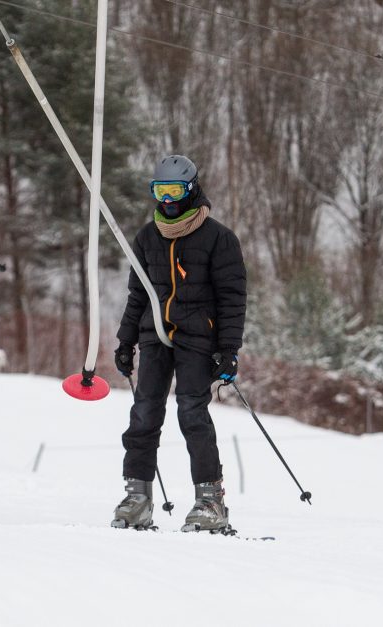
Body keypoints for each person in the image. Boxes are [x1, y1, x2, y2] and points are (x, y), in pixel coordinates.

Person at [111, 155, 247, 532]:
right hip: (154, 335)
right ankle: (137, 495)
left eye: (174, 191)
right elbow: (137, 295)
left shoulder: (218, 238)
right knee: (144, 413)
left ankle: (210, 501)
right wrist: (126, 342)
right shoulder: (147, 236)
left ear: (192, 189)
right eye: (160, 191)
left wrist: (228, 349)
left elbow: (232, 298)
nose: (167, 200)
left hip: (198, 338)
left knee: (191, 413)